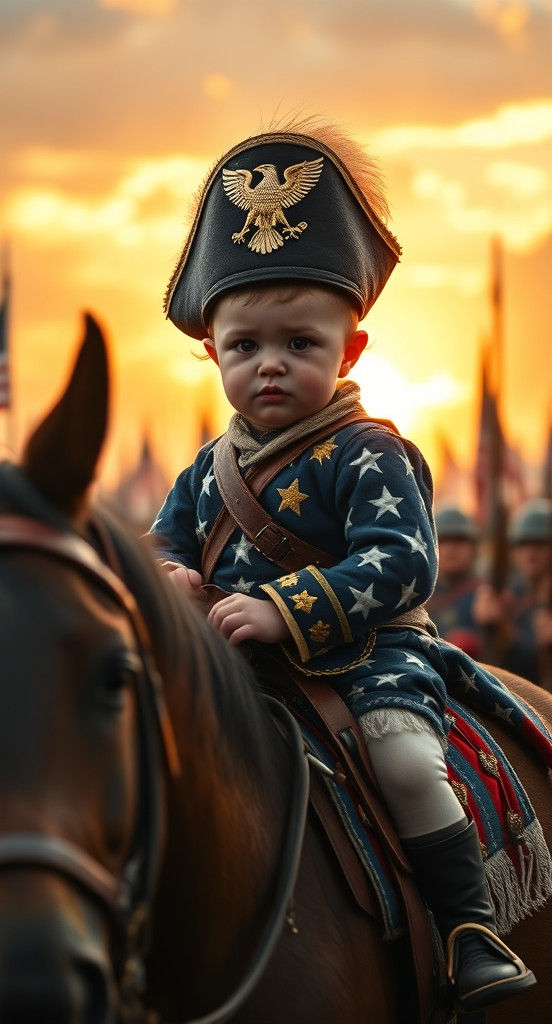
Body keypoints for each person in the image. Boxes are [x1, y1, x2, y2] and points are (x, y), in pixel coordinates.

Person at [151, 120, 535, 1012]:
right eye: (245, 347)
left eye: (300, 344)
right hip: (238, 671)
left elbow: (403, 563)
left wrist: (288, 609)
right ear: (213, 352)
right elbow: (165, 541)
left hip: (369, 664)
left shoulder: (370, 450)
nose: (270, 366)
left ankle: (468, 930)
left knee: (404, 763)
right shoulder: (205, 470)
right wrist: (166, 580)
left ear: (352, 350)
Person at [474, 499, 552, 685]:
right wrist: (485, 625)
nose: (530, 553)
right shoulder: (505, 593)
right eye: (523, 544)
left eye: (540, 543)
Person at [427, 506, 483, 657]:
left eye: (459, 540)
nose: (451, 549)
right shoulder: (419, 594)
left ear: (474, 548)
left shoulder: (485, 592)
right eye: (443, 540)